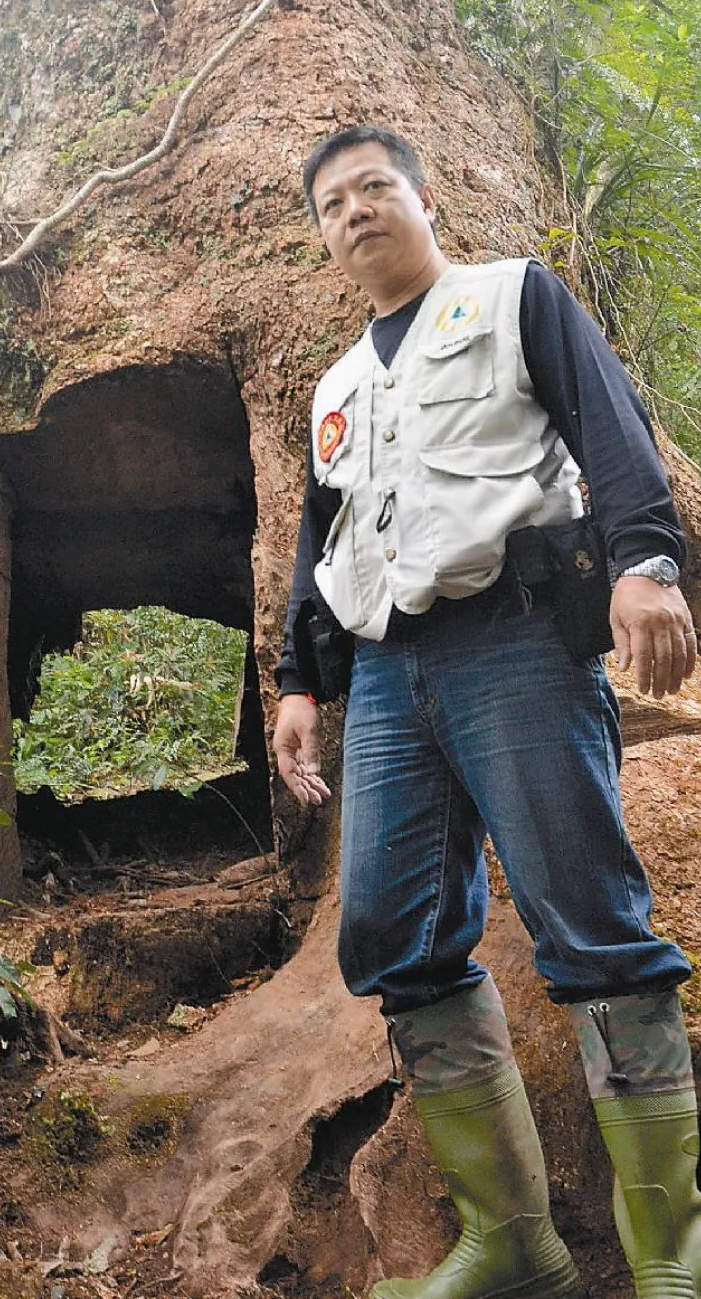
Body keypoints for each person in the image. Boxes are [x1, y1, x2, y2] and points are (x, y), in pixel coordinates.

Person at [272, 124, 699, 1299]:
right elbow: (324, 543)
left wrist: (647, 564)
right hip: (385, 679)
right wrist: (297, 682)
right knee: (391, 934)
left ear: (422, 195)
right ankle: (512, 1244)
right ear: (322, 234)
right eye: (332, 202)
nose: (355, 210)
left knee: (589, 916)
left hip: (515, 640)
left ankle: (669, 1250)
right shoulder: (338, 387)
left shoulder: (516, 297)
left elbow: (611, 433)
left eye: (374, 187)